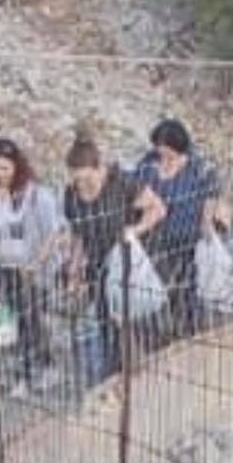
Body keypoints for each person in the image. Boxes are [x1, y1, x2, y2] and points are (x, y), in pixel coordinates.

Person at [63, 131, 167, 378]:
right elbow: (78, 234)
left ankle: (149, 367)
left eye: (87, 179)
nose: (82, 185)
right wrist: (74, 270)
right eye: (77, 180)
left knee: (135, 318)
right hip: (99, 266)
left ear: (99, 169)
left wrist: (134, 230)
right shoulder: (71, 195)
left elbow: (158, 208)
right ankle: (116, 374)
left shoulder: (121, 183)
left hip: (128, 260)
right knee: (106, 321)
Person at [0, 137, 68, 388]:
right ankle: (23, 369)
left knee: (33, 319)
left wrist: (37, 262)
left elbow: (53, 232)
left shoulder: (37, 195)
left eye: (5, 168)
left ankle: (43, 367)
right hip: (4, 267)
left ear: (17, 166)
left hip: (32, 269)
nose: (0, 175)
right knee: (14, 320)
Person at [134, 118, 225, 343]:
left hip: (188, 240)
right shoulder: (147, 164)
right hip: (156, 241)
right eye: (160, 153)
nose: (163, 159)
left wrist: (207, 227)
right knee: (158, 291)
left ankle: (189, 333)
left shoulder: (199, 168)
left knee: (187, 291)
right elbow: (136, 192)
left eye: (169, 155)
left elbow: (211, 195)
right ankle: (164, 336)